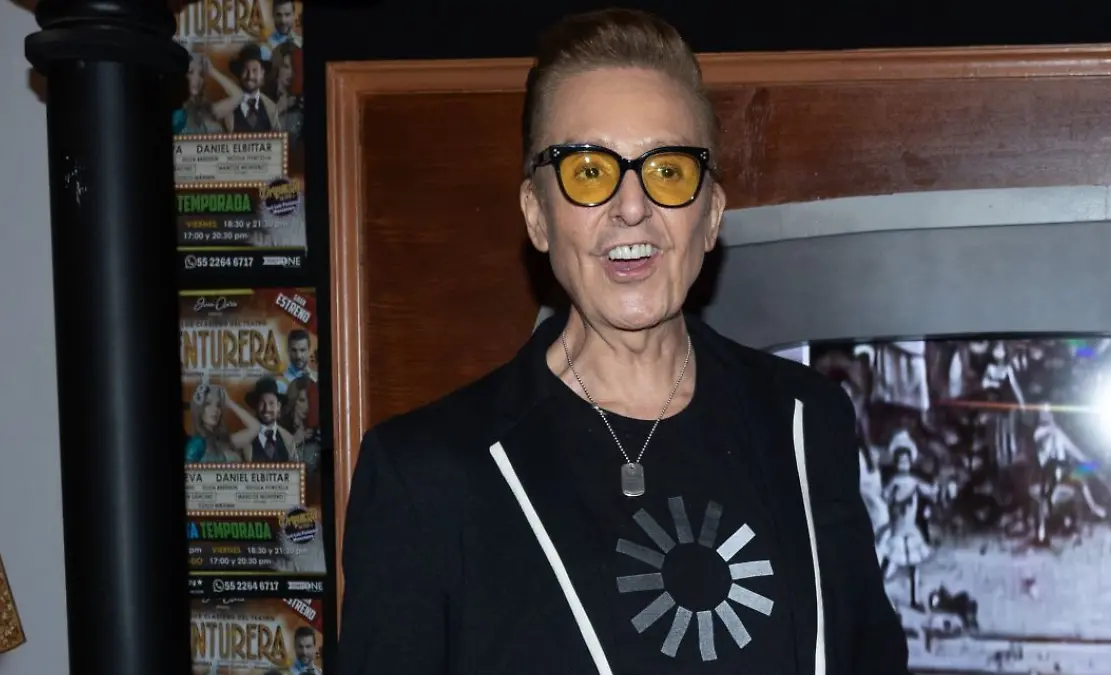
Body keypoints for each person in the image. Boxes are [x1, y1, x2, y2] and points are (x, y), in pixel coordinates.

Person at [339, 9, 909, 675]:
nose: (632, 206)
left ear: (711, 214)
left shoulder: (808, 420)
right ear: (537, 216)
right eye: (588, 172)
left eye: (668, 171)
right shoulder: (425, 477)